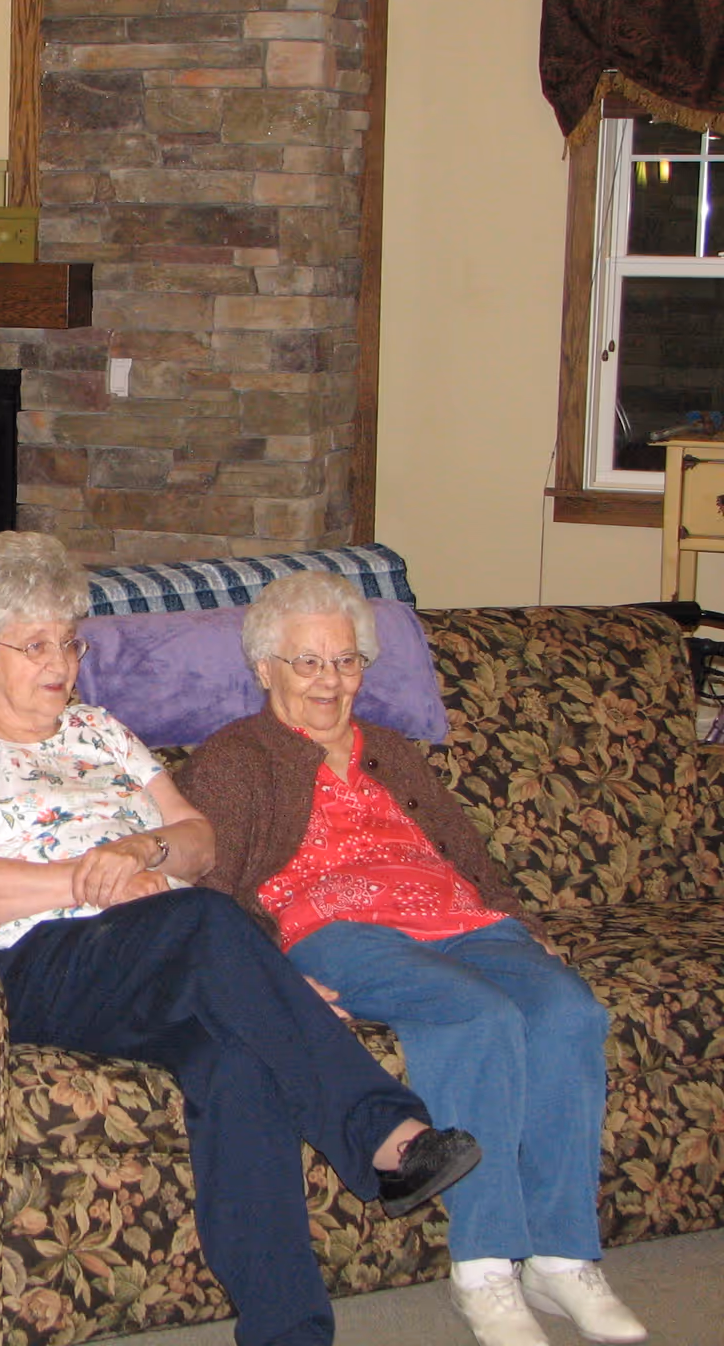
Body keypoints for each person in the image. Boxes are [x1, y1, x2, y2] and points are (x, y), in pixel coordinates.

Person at [0, 532, 482, 1346]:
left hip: (165, 950)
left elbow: (197, 841)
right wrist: (88, 878)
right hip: (37, 963)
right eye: (35, 646)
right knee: (200, 920)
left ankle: (289, 1332)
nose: (61, 663)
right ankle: (380, 1128)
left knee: (238, 1062)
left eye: (69, 641)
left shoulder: (100, 731)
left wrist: (144, 851)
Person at [176, 571, 647, 1346]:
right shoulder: (236, 756)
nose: (330, 681)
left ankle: (562, 1257)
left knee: (569, 1008)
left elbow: (467, 855)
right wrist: (274, 977)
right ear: (265, 669)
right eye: (308, 663)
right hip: (335, 927)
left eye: (347, 660)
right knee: (476, 1012)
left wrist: (518, 924)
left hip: (458, 919)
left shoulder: (392, 748)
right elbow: (214, 886)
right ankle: (486, 1270)